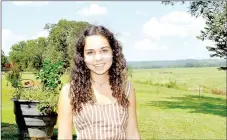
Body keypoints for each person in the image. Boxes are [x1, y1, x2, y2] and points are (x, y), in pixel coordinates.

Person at [57, 25, 140, 140]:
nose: (98, 58)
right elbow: (64, 136)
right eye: (90, 52)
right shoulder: (69, 91)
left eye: (104, 50)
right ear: (82, 57)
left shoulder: (126, 88)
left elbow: (132, 134)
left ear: (113, 52)